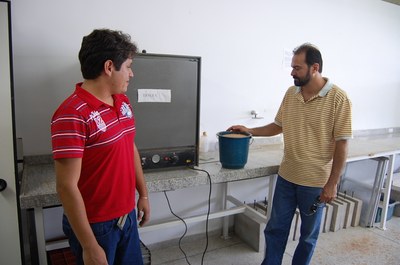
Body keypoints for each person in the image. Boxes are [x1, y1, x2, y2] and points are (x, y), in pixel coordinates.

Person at [228, 43, 352, 265]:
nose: (292, 72)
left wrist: (332, 183)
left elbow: (342, 145)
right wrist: (249, 130)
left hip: (315, 183)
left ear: (314, 68)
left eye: (297, 68)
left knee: (307, 237)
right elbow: (277, 126)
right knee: (275, 229)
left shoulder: (338, 99)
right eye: (292, 67)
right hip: (287, 177)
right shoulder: (291, 93)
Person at [51, 29, 150, 265]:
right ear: (109, 67)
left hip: (126, 215)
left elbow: (130, 147)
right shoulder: (72, 114)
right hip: (96, 226)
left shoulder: (122, 102)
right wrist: (89, 246)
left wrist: (143, 194)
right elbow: (66, 186)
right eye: (127, 66)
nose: (131, 73)